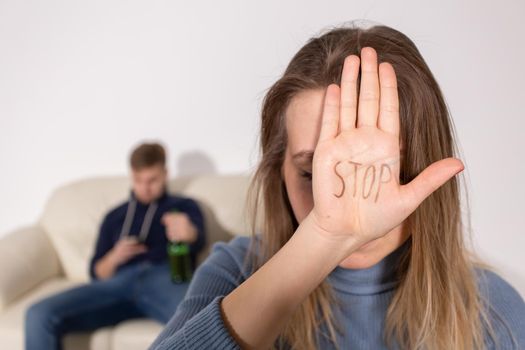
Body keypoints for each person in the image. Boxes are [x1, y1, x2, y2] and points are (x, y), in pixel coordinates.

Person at [150, 24, 525, 350]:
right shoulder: (236, 273)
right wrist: (325, 238)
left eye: (381, 171)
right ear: (277, 171)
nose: (344, 201)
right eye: (312, 173)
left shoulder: (494, 312)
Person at [25, 142, 206, 350]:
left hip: (165, 277)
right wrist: (114, 257)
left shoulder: (184, 206)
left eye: (152, 180)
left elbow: (199, 240)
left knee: (198, 321)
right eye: (138, 180)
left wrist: (189, 233)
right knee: (38, 314)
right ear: (131, 176)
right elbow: (96, 273)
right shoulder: (115, 216)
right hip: (117, 284)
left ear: (165, 173)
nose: (145, 188)